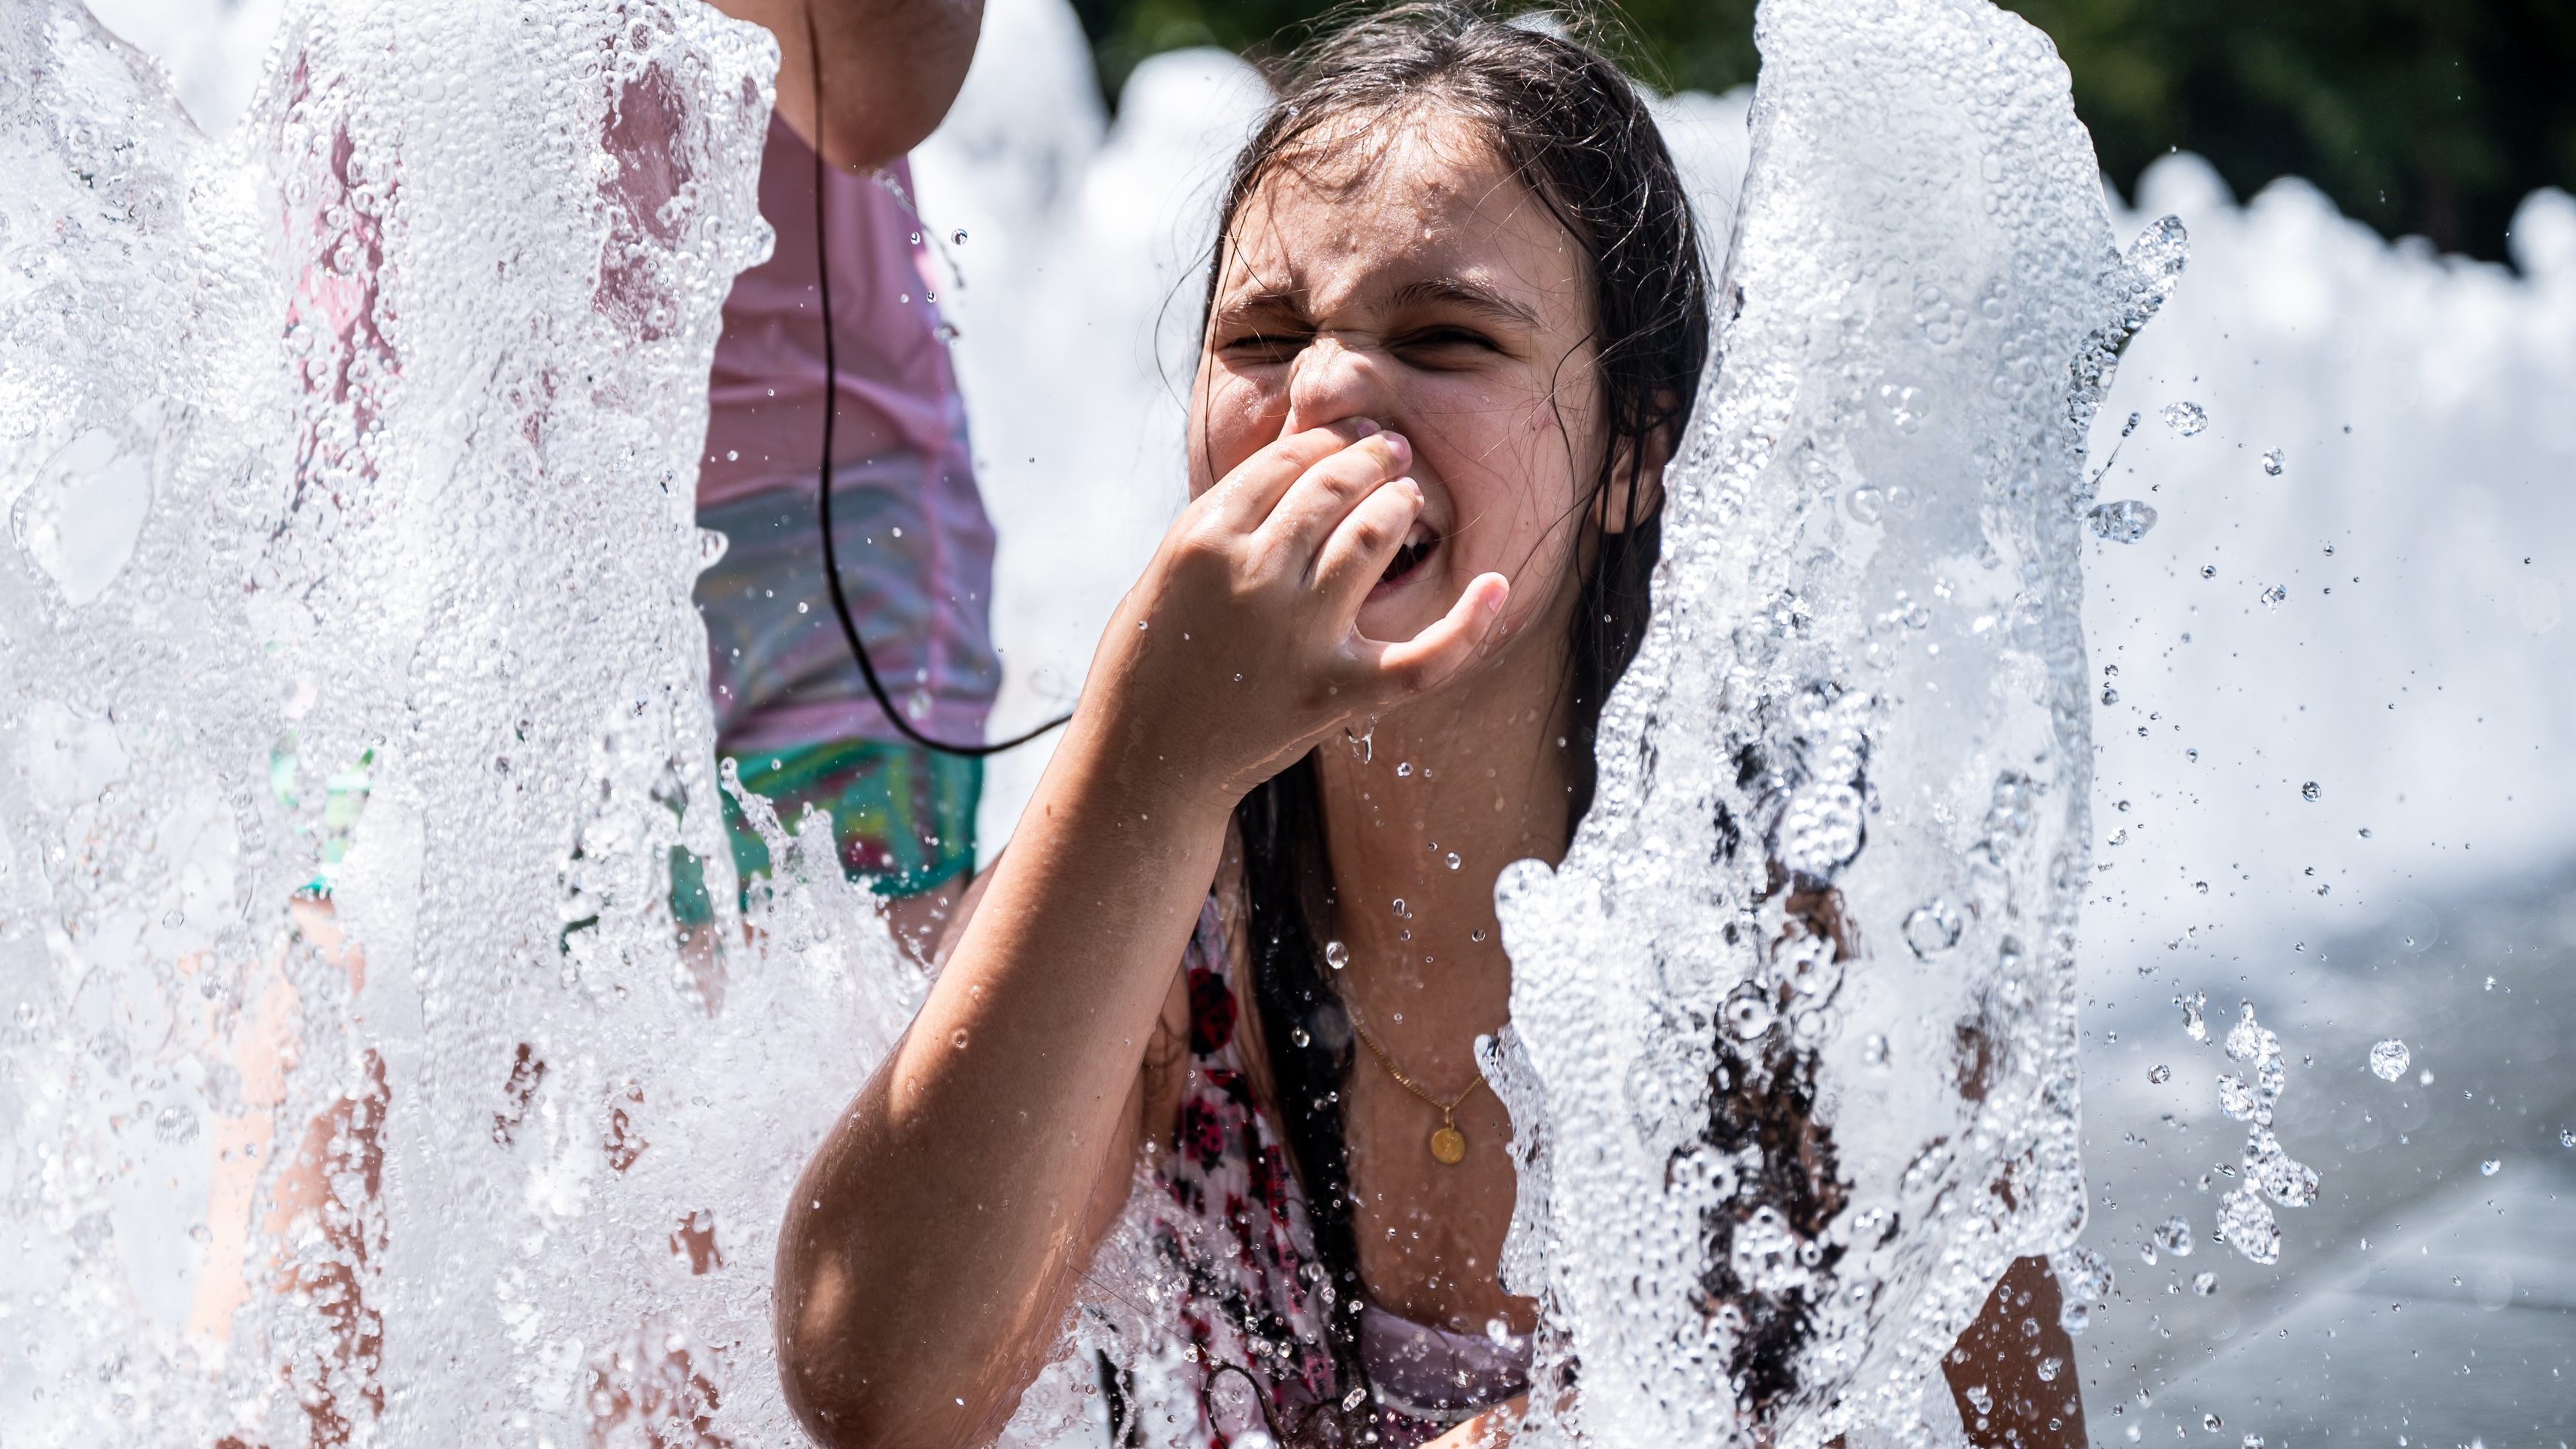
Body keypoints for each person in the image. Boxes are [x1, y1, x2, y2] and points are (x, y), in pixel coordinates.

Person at [772, 8, 2087, 1448]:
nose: (1325, 393)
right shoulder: (1160, 919)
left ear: (1635, 449)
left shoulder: (1809, 973)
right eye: (1264, 337)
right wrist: (1147, 761)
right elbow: (874, 1390)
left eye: (1443, 334)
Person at [685, 0, 999, 964]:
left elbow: (877, 101)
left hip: (795, 543)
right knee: (356, 1092)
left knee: (804, 1096)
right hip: (399, 520)